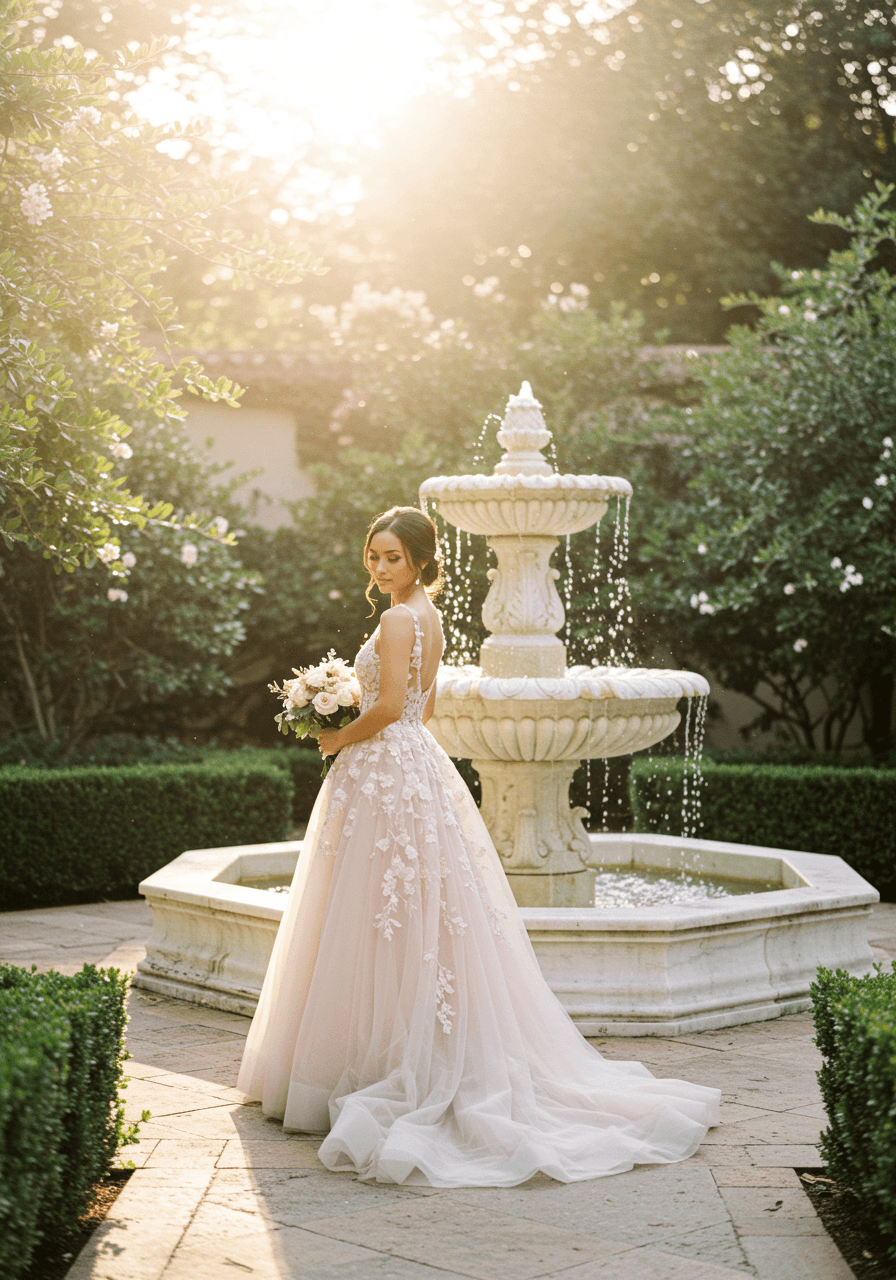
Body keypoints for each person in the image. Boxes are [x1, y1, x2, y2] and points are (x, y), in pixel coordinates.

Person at [237, 505, 720, 1187]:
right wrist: (357, 712)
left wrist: (339, 732)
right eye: (373, 555)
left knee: (374, 911)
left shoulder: (398, 619)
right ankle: (395, 1052)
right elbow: (423, 708)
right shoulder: (429, 618)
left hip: (381, 766)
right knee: (405, 912)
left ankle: (368, 1065)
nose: (380, 567)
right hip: (415, 763)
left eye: (392, 558)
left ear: (419, 561)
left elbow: (390, 703)